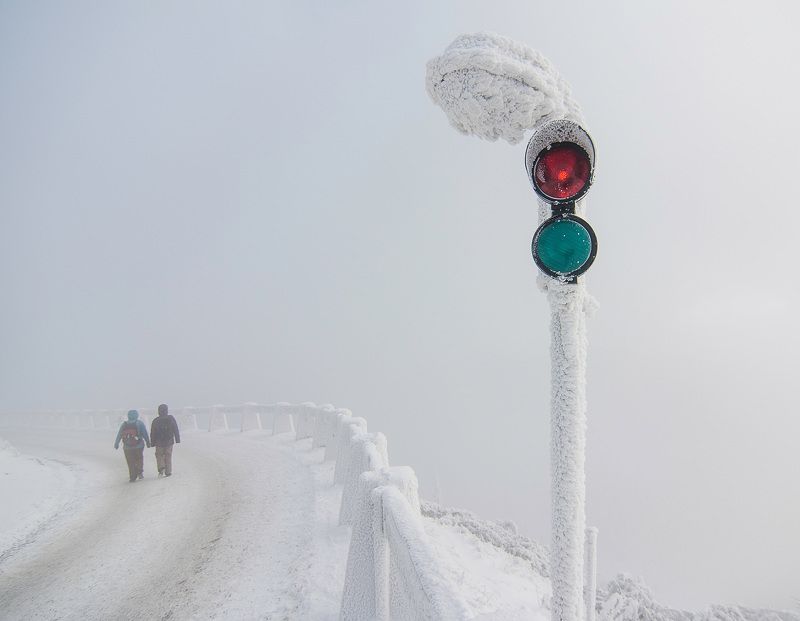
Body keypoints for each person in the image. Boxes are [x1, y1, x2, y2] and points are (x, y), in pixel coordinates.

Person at [114, 410, 151, 482]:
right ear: (137, 415)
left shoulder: (124, 424)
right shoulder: (140, 423)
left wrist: (116, 443)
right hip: (139, 446)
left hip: (127, 447)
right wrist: (148, 442)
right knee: (139, 458)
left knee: (130, 461)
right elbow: (144, 433)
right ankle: (140, 472)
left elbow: (119, 434)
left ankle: (132, 476)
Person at [150, 403, 181, 477]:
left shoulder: (155, 420)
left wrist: (152, 442)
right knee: (168, 455)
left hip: (159, 442)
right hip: (169, 441)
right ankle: (168, 471)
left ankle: (161, 468)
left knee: (159, 455)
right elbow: (175, 429)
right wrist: (177, 439)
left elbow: (153, 432)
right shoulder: (171, 418)